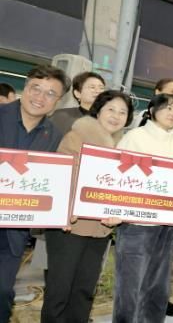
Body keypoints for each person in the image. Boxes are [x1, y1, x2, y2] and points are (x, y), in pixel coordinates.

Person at [41, 90, 133, 323]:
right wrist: (65, 209)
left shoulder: (125, 148)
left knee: (84, 290)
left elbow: (125, 189)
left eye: (122, 112)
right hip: (69, 226)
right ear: (98, 110)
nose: (116, 116)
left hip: (100, 229)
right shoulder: (77, 136)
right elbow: (61, 177)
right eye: (110, 109)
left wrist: (120, 212)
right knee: (60, 290)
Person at [112, 93, 173, 323]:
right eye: (168, 108)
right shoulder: (135, 137)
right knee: (131, 285)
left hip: (167, 222)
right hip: (137, 222)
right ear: (151, 111)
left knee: (158, 286)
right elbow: (117, 173)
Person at [0, 65, 70, 323]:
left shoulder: (55, 136)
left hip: (12, 233)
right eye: (36, 88)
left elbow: (51, 182)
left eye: (50, 93)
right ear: (25, 88)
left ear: (57, 101)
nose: (40, 97)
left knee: (2, 293)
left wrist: (61, 211)